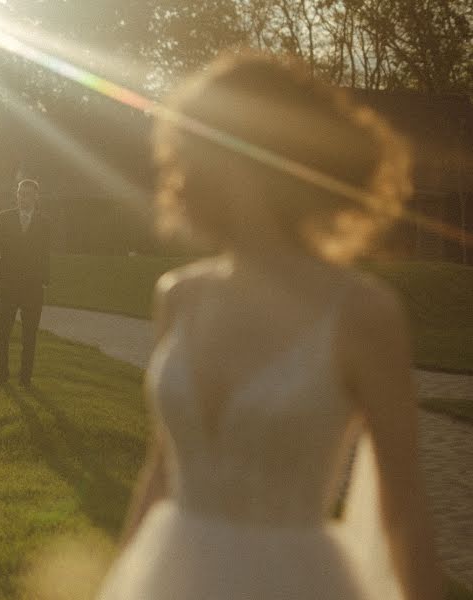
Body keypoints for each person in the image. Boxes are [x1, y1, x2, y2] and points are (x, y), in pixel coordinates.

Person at [97, 54, 443, 599]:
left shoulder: (361, 313)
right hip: (169, 577)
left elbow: (401, 507)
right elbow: (162, 471)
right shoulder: (179, 296)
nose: (179, 167)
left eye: (198, 144)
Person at [0, 179, 51, 387]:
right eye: (21, 193)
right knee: (3, 331)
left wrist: (44, 280)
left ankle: (25, 377)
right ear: (17, 195)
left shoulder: (43, 222)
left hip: (33, 287)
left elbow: (45, 253)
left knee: (29, 334)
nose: (24, 197)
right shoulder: (4, 218)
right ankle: (2, 373)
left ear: (35, 197)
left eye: (28, 194)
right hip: (8, 284)